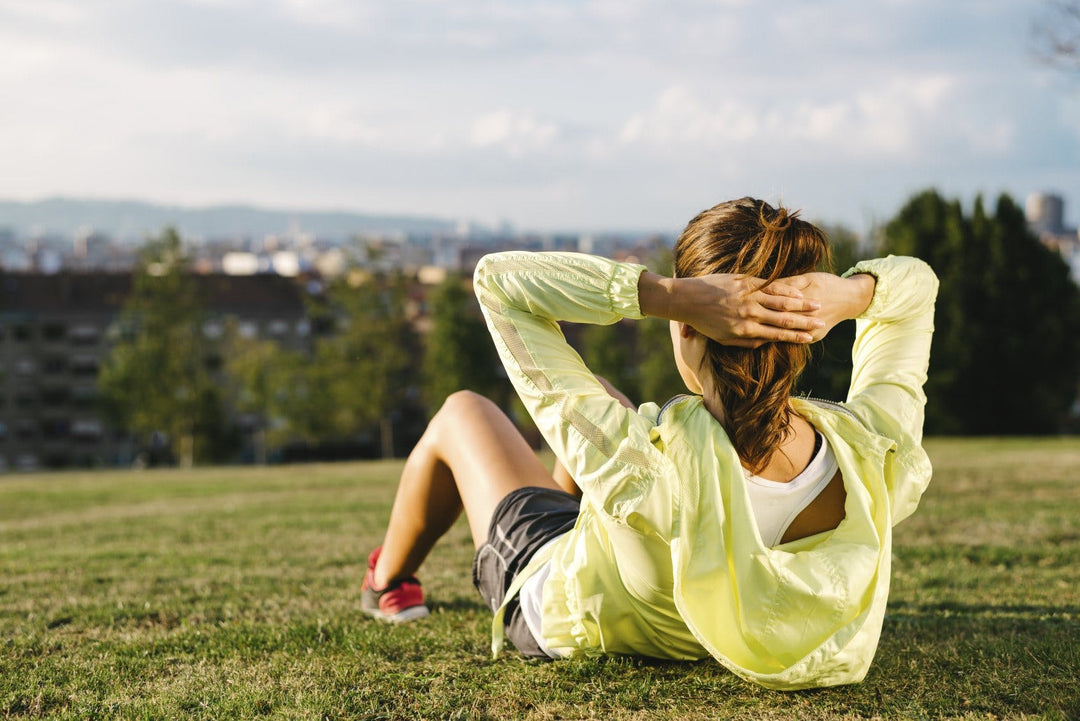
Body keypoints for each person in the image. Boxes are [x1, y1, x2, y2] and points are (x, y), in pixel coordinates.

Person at [361, 197, 938, 690]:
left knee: (466, 411)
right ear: (808, 328)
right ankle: (568, 517)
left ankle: (386, 580)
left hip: (566, 604)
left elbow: (498, 281)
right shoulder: (877, 458)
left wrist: (665, 294)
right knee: (603, 398)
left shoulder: (643, 465)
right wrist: (852, 295)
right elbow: (918, 286)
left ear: (688, 328)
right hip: (639, 558)